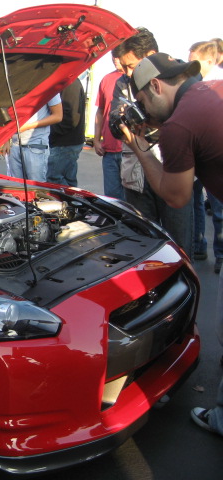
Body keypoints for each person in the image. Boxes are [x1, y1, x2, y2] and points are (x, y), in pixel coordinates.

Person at [123, 52, 223, 437]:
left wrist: (139, 147)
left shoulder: (179, 125)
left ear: (155, 86)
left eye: (146, 103)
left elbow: (176, 196)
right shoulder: (209, 91)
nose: (147, 111)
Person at [112, 28, 193, 258]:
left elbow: (178, 125)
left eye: (131, 66)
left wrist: (144, 129)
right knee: (141, 245)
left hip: (172, 171)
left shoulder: (181, 80)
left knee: (178, 247)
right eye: (124, 67)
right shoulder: (122, 83)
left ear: (151, 55)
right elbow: (115, 123)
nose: (128, 73)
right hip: (136, 177)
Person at [188, 41, 223, 270]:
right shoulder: (192, 83)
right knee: (194, 202)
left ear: (210, 61)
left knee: (217, 207)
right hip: (194, 154)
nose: (190, 64)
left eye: (194, 60)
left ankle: (220, 254)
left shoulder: (216, 83)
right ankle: (198, 246)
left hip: (213, 156)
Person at [94, 46, 126, 200]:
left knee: (131, 200)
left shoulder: (134, 78)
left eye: (118, 57)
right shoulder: (106, 79)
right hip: (109, 151)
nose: (116, 61)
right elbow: (100, 111)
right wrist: (96, 139)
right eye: (113, 57)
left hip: (129, 150)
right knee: (112, 198)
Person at [7, 94, 62, 182]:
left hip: (35, 145)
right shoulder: (13, 83)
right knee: (15, 188)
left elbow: (58, 116)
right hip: (14, 144)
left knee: (35, 189)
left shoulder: (48, 84)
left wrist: (27, 126)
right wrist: (6, 138)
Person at [47, 77, 86, 186]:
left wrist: (49, 131)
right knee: (68, 181)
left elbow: (71, 118)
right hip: (68, 142)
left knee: (54, 181)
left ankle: (66, 201)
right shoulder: (70, 82)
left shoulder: (70, 83)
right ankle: (71, 201)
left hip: (64, 143)